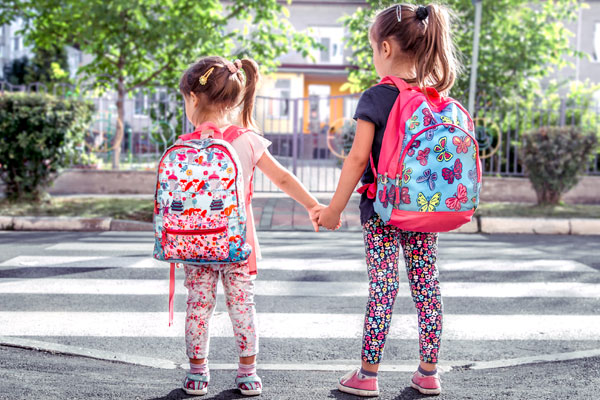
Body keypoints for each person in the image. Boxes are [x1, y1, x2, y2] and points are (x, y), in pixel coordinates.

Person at [318, 3, 461, 397]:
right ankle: (429, 372)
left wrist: (333, 210)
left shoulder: (377, 97)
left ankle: (367, 374)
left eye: (371, 49)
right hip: (425, 209)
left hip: (382, 210)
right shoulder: (436, 97)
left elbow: (357, 159)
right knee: (426, 284)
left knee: (383, 287)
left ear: (384, 48)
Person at [177, 56, 324, 396]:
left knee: (198, 306)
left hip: (196, 243)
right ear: (233, 99)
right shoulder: (247, 140)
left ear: (194, 99)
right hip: (238, 241)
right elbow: (283, 178)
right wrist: (313, 205)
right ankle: (247, 373)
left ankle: (198, 374)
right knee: (242, 305)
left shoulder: (184, 145)